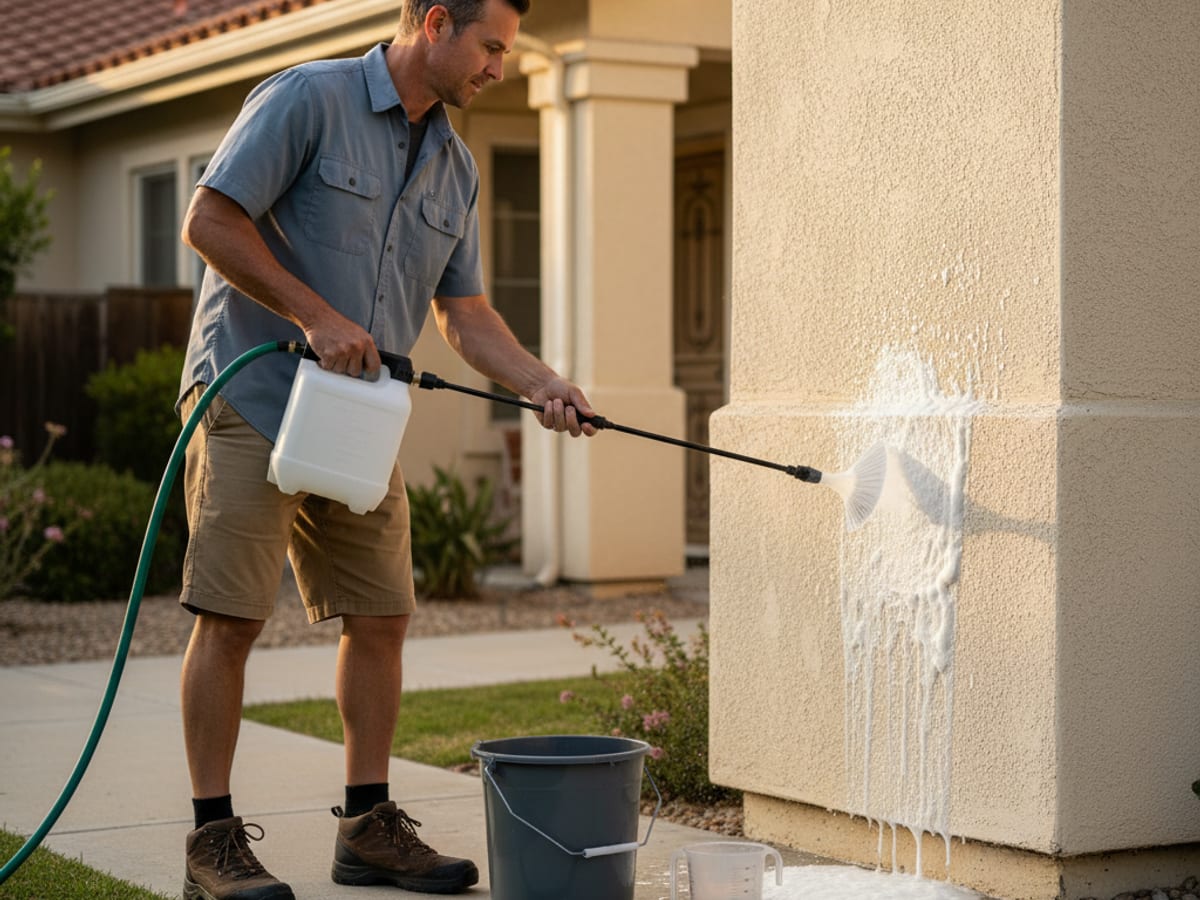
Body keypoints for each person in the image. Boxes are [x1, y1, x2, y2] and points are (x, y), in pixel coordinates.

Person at [175, 1, 594, 897]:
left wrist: (541, 383)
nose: (501, 68)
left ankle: (367, 828)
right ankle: (211, 843)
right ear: (436, 23)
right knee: (233, 617)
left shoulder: (456, 164)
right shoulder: (307, 101)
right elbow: (209, 221)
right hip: (249, 391)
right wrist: (317, 316)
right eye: (491, 47)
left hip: (356, 412)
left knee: (383, 615)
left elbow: (465, 312)